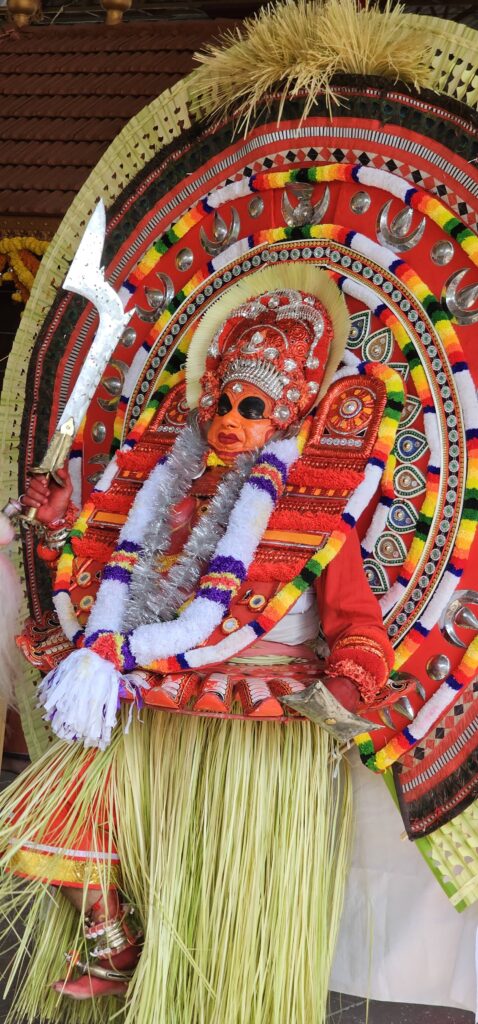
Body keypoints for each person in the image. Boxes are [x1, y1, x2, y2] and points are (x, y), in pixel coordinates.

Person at [3, 267, 400, 1018]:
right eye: (224, 402)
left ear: (284, 416)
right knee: (68, 810)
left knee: (227, 909)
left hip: (254, 744)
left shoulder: (308, 516)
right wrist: (60, 526)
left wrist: (346, 685)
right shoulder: (169, 493)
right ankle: (115, 943)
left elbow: (358, 626)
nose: (230, 418)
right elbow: (103, 599)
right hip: (156, 715)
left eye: (253, 408)